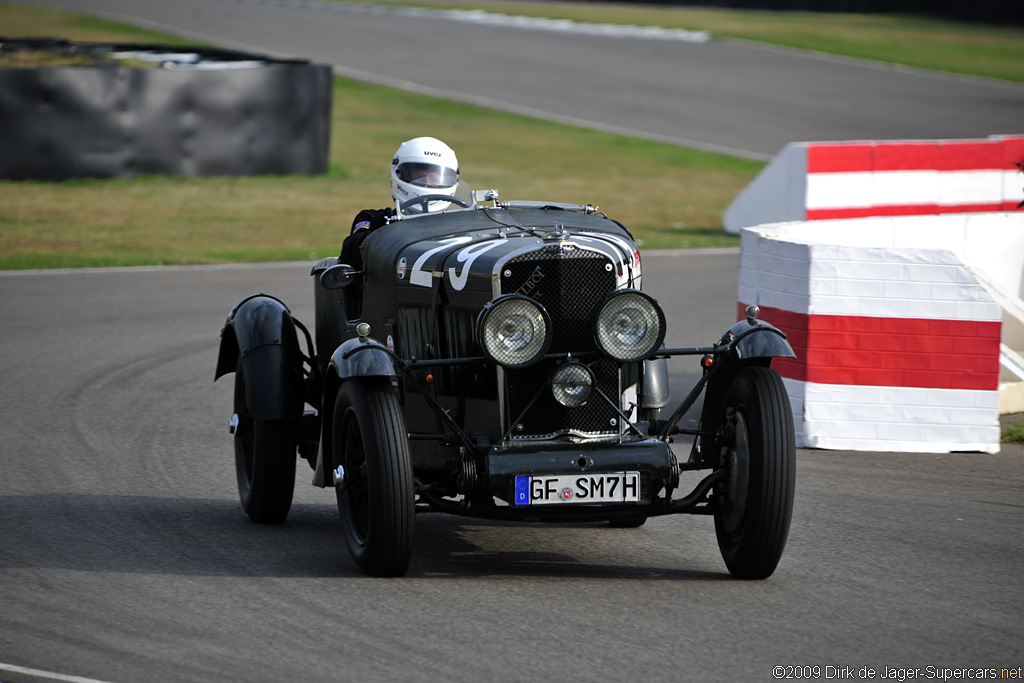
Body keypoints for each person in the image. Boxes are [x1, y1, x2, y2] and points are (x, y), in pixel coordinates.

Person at [339, 137, 460, 270]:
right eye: (419, 176)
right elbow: (350, 256)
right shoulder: (374, 220)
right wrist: (381, 234)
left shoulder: (461, 226)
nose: (428, 183)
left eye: (435, 178)